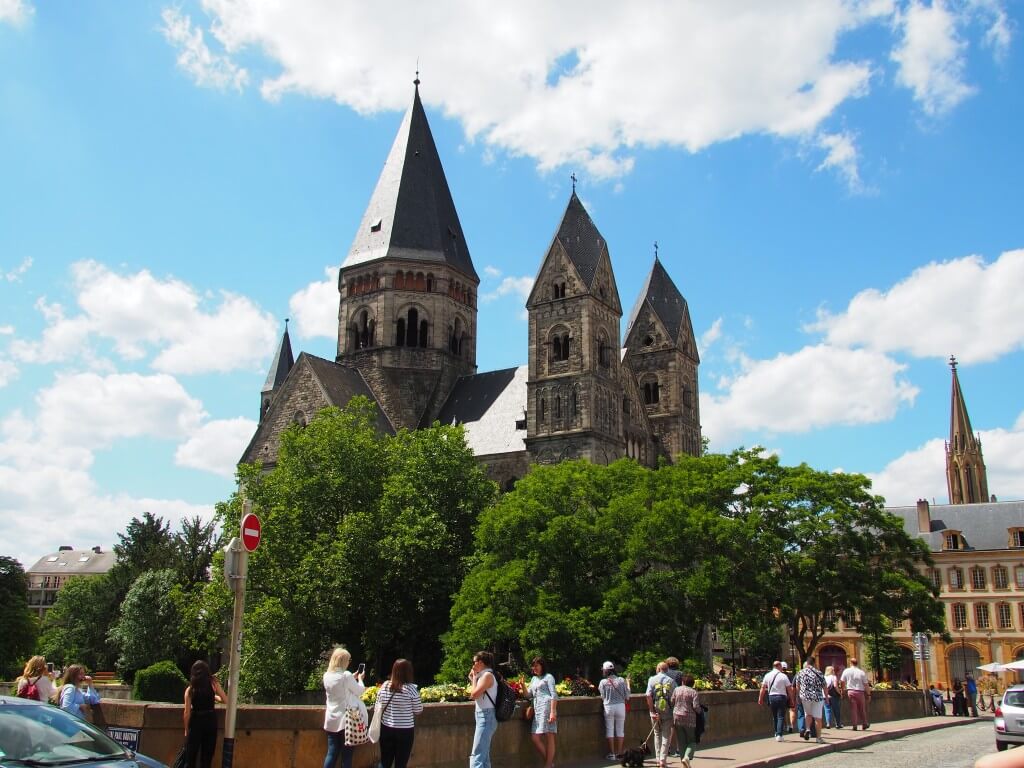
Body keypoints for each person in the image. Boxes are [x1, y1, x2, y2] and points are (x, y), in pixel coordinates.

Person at [323, 647, 366, 768]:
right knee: (347, 756)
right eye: (348, 659)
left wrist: (352, 677)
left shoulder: (326, 675)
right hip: (346, 720)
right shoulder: (346, 675)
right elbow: (359, 691)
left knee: (331, 753)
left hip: (331, 719)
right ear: (343, 661)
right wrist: (360, 679)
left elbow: (339, 685)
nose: (349, 662)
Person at [376, 658, 423, 768]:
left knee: (385, 761)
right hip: (405, 730)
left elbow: (378, 706)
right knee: (401, 763)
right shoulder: (411, 689)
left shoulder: (385, 686)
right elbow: (418, 710)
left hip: (387, 728)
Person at [183, 660, 227, 768]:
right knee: (207, 756)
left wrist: (186, 729)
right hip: (210, 720)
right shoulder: (213, 683)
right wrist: (214, 697)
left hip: (196, 721)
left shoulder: (190, 689)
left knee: (191, 756)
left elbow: (187, 712)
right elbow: (225, 699)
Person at [468, 651, 498, 768]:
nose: (473, 664)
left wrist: (474, 677)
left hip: (486, 717)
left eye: (474, 662)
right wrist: (474, 678)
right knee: (484, 757)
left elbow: (474, 695)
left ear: (480, 662)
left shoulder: (487, 676)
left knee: (477, 755)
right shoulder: (485, 675)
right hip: (484, 716)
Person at [527, 657, 558, 768]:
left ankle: (548, 764)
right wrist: (521, 686)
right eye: (533, 666)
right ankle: (549, 763)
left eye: (536, 665)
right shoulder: (534, 679)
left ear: (542, 666)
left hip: (547, 707)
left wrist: (553, 712)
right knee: (535, 737)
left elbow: (554, 695)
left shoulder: (548, 677)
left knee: (549, 735)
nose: (534, 668)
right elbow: (529, 695)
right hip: (537, 709)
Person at [646, 661, 676, 768]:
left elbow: (648, 696)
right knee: (665, 736)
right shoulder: (671, 681)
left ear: (658, 669)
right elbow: (674, 697)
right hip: (667, 712)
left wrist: (651, 711)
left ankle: (658, 759)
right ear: (667, 670)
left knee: (657, 734)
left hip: (655, 711)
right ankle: (663, 760)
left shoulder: (651, 679)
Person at [598, 661, 630, 759]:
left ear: (606, 671)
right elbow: (627, 696)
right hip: (620, 706)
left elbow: (602, 696)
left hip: (609, 707)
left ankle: (612, 754)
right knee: (620, 730)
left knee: (610, 730)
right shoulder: (621, 680)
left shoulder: (603, 682)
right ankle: (619, 753)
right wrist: (628, 682)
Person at [670, 674, 701, 768]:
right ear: (692, 683)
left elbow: (672, 701)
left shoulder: (677, 689)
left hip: (677, 717)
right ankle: (687, 757)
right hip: (689, 719)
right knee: (692, 740)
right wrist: (700, 712)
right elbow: (696, 706)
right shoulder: (693, 692)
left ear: (683, 682)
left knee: (681, 741)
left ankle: (684, 762)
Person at [758, 660, 793, 742]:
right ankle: (779, 734)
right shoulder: (783, 676)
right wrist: (792, 699)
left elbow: (763, 688)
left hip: (771, 697)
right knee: (781, 716)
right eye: (781, 667)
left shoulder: (767, 675)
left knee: (775, 716)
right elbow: (789, 689)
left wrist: (760, 698)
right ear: (779, 666)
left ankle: (776, 732)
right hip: (781, 696)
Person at [794, 658, 826, 744]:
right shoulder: (819, 673)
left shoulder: (800, 673)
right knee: (818, 718)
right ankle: (818, 738)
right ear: (814, 663)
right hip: (817, 697)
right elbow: (824, 686)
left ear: (807, 663)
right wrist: (826, 697)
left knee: (808, 714)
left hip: (805, 697)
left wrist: (798, 696)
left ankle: (808, 729)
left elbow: (798, 686)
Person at [839, 657, 870, 731]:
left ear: (850, 663)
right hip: (860, 691)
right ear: (857, 663)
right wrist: (868, 694)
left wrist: (842, 690)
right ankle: (865, 723)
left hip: (851, 691)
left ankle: (854, 725)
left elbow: (842, 681)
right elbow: (866, 684)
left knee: (853, 709)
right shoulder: (861, 672)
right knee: (862, 709)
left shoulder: (846, 671)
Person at [663, 657, 684, 757]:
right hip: (677, 702)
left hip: (665, 702)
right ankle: (679, 750)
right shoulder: (680, 674)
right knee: (677, 727)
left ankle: (667, 749)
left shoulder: (665, 674)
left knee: (667, 727)